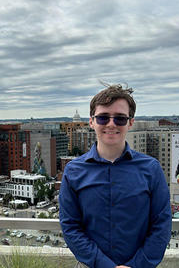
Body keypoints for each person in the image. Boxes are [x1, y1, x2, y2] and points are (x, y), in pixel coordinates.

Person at [59, 84, 171, 268]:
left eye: (120, 119)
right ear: (91, 122)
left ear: (130, 123)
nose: (111, 124)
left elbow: (161, 225)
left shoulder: (151, 169)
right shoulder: (73, 171)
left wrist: (137, 265)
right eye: (103, 118)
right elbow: (70, 227)